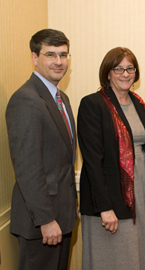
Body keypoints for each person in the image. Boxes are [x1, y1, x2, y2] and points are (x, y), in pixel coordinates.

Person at [78, 47, 145, 270]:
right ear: (107, 73)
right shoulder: (93, 104)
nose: (125, 74)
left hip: (140, 196)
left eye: (130, 68)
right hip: (110, 198)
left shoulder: (140, 104)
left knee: (137, 256)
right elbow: (93, 161)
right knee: (114, 259)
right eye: (119, 68)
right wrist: (105, 207)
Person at [5, 29, 77, 270]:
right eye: (51, 54)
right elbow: (27, 167)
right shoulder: (26, 99)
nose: (59, 62)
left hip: (62, 218)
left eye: (63, 55)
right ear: (35, 58)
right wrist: (46, 220)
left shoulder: (61, 98)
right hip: (42, 224)